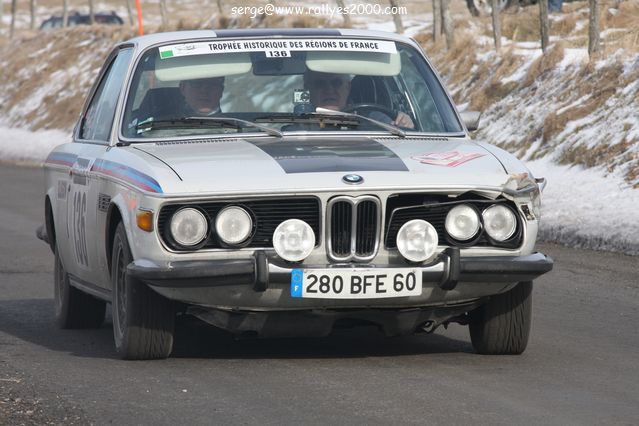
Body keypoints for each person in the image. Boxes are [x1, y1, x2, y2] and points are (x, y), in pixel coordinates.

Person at [303, 70, 414, 129]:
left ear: (347, 87)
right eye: (320, 84)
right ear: (308, 90)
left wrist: (404, 125)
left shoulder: (374, 120)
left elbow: (398, 140)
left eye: (336, 83)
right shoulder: (295, 127)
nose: (329, 90)